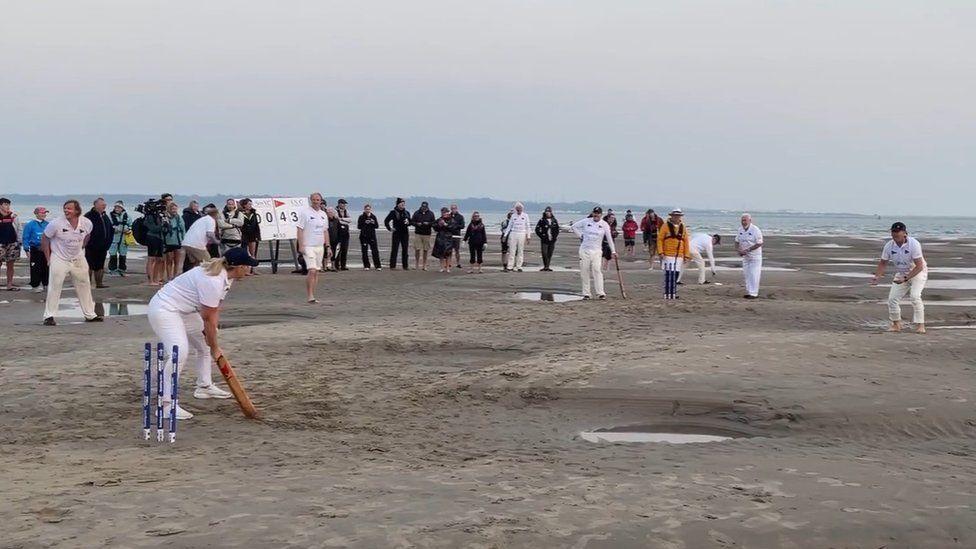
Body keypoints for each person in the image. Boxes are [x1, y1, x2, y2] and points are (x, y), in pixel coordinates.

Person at [147, 248, 254, 420]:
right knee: (179, 352)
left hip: (185, 310)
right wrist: (216, 347)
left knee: (204, 345)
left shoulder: (226, 277)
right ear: (239, 267)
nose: (249, 269)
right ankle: (166, 404)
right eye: (247, 266)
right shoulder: (213, 280)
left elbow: (214, 310)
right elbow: (207, 318)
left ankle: (204, 386)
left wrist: (213, 344)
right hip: (164, 309)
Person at [41, 200, 102, 325]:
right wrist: (48, 259)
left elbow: (88, 235)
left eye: (69, 208)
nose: (66, 211)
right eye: (65, 208)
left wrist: (82, 247)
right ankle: (49, 316)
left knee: (84, 284)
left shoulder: (86, 223)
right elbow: (45, 238)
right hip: (59, 257)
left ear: (77, 210)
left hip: (78, 257)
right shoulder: (56, 223)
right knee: (54, 286)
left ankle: (90, 315)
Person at [871, 222, 928, 334]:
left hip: (917, 272)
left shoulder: (914, 244)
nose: (895, 234)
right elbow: (883, 263)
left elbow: (919, 266)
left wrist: (906, 278)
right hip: (901, 273)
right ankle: (896, 324)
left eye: (898, 231)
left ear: (905, 233)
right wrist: (877, 276)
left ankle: (920, 325)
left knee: (915, 297)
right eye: (893, 232)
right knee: (892, 299)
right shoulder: (889, 246)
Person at [571, 207, 617, 300]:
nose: (596, 215)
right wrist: (581, 236)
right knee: (585, 271)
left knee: (597, 270)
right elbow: (574, 227)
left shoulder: (604, 224)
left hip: (596, 251)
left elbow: (609, 239)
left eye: (598, 213)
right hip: (584, 250)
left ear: (601, 214)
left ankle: (600, 293)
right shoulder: (586, 221)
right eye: (595, 213)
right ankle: (586, 293)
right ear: (592, 213)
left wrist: (613, 251)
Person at [296, 193, 330, 302]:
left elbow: (325, 231)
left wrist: (328, 246)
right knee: (312, 270)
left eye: (318, 200)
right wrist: (301, 245)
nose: (316, 201)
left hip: (319, 246)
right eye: (314, 199)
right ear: (311, 200)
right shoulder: (305, 213)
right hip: (308, 245)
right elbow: (300, 230)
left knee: (317, 271)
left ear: (321, 201)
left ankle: (313, 294)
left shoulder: (323, 214)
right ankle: (310, 295)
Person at [656, 208, 691, 297]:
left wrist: (686, 255)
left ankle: (673, 292)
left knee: (676, 274)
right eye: (675, 215)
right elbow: (660, 240)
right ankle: (667, 292)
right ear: (671, 216)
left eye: (678, 216)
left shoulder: (683, 227)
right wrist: (661, 252)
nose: (676, 217)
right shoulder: (665, 226)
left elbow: (686, 241)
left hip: (679, 254)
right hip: (667, 254)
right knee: (668, 274)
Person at [84, 197, 114, 289]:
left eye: (104, 205)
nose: (104, 206)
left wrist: (108, 243)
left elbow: (110, 230)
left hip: (103, 247)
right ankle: (87, 284)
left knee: (100, 266)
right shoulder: (88, 216)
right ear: (96, 205)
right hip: (90, 246)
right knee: (89, 265)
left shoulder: (105, 216)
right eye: (102, 205)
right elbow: (83, 231)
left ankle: (99, 283)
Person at [735, 213, 764, 299]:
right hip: (745, 256)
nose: (743, 222)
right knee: (747, 274)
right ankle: (749, 291)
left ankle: (754, 293)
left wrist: (748, 249)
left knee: (754, 274)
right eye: (742, 220)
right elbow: (736, 241)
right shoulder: (740, 230)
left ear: (750, 220)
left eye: (745, 220)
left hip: (755, 256)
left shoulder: (755, 230)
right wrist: (738, 250)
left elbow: (760, 243)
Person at [182, 204, 219, 270]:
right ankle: (207, 278)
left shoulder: (203, 219)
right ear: (216, 214)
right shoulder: (211, 220)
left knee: (197, 263)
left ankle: (193, 277)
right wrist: (217, 241)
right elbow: (210, 234)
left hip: (187, 243)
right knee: (208, 262)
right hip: (196, 244)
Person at [22, 207, 49, 293]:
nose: (43, 214)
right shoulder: (30, 224)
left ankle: (46, 284)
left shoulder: (48, 224)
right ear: (36, 214)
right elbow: (25, 237)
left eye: (45, 213)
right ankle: (35, 286)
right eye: (41, 213)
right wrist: (26, 250)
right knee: (35, 268)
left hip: (46, 249)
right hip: (35, 249)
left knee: (46, 267)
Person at [0, 197, 21, 291]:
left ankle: (9, 284)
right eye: (5, 204)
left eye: (8, 204)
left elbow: (19, 228)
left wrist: (19, 242)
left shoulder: (13, 216)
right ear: (0, 205)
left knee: (10, 265)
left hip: (12, 243)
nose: (7, 206)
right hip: (0, 243)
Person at [384, 198, 411, 269]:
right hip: (396, 233)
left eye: (404, 204)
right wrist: (390, 228)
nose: (403, 205)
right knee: (395, 249)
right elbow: (386, 221)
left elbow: (410, 222)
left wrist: (408, 223)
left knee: (405, 249)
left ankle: (405, 266)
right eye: (401, 204)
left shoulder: (407, 212)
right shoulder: (393, 212)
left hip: (405, 233)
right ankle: (392, 266)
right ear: (398, 204)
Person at [143, 203, 166, 286]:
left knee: (159, 259)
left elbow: (165, 229)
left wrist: (165, 224)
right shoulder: (149, 217)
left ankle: (156, 279)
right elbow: (153, 228)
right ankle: (151, 280)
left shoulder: (159, 217)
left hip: (159, 238)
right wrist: (162, 224)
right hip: (152, 238)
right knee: (151, 258)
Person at [503, 202, 531, 272]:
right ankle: (510, 266)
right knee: (512, 250)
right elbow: (509, 226)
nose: (519, 210)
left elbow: (528, 226)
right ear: (516, 209)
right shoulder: (513, 216)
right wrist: (505, 235)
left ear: (522, 209)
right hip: (513, 233)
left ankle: (519, 266)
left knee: (520, 251)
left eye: (520, 209)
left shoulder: (525, 215)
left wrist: (528, 236)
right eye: (517, 209)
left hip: (522, 233)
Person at [163, 201, 186, 282]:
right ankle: (169, 277)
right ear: (169, 209)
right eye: (172, 209)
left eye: (175, 209)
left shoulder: (179, 217)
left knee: (177, 260)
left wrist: (183, 239)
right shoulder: (165, 217)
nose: (174, 211)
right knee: (169, 260)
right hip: (168, 241)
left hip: (178, 240)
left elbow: (183, 229)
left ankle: (175, 277)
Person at [108, 201, 131, 276]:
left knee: (123, 254)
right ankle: (112, 270)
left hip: (124, 238)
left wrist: (128, 230)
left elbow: (131, 225)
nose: (117, 209)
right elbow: (108, 226)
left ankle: (122, 270)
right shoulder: (110, 216)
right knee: (113, 254)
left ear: (122, 208)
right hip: (113, 238)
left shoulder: (127, 216)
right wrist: (114, 229)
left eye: (119, 207)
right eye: (116, 207)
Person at [432, 207, 459, 273]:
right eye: (442, 212)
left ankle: (447, 267)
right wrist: (439, 225)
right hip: (440, 238)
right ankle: (442, 267)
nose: (444, 214)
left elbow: (453, 228)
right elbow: (434, 226)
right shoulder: (439, 219)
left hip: (448, 238)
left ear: (448, 212)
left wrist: (445, 225)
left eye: (445, 212)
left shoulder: (452, 220)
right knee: (441, 253)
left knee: (448, 253)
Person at [239, 198, 261, 275]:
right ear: (244, 205)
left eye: (251, 204)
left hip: (252, 234)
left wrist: (258, 235)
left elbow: (256, 225)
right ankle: (245, 270)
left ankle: (253, 269)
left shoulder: (253, 213)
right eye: (249, 204)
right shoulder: (240, 213)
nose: (250, 206)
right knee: (245, 253)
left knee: (253, 253)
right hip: (244, 235)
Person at [411, 201, 435, 270]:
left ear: (427, 207)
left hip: (427, 233)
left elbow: (433, 223)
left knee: (425, 249)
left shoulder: (431, 213)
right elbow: (412, 222)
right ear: (421, 206)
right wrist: (417, 224)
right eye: (423, 207)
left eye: (425, 207)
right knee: (417, 249)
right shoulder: (417, 213)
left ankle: (424, 265)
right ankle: (417, 264)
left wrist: (428, 223)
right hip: (418, 233)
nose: (424, 208)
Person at [535, 207, 560, 271]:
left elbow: (557, 229)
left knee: (550, 253)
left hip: (552, 239)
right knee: (544, 252)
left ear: (551, 212)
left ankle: (547, 266)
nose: (548, 213)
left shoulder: (554, 220)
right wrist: (541, 236)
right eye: (546, 212)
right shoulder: (542, 220)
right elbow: (537, 229)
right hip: (544, 239)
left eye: (549, 212)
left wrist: (555, 236)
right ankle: (545, 266)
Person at [358, 204, 382, 270]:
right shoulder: (361, 217)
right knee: (364, 252)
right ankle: (366, 265)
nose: (367, 210)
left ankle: (378, 266)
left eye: (369, 209)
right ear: (364, 209)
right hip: (364, 236)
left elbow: (377, 226)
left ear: (370, 209)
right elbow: (359, 226)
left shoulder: (373, 216)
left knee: (375, 251)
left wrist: (373, 222)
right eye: (366, 209)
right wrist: (365, 222)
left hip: (372, 236)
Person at [334, 199, 352, 270]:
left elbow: (350, 220)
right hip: (338, 233)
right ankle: (336, 265)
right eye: (343, 204)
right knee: (338, 250)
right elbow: (337, 220)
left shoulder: (346, 211)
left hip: (346, 233)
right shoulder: (335, 211)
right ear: (339, 204)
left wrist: (342, 219)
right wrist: (344, 220)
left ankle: (343, 265)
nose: (344, 205)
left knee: (345, 249)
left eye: (345, 204)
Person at [449, 204, 465, 269]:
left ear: (456, 209)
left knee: (457, 250)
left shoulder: (460, 217)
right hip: (449, 235)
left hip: (457, 236)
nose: (453, 210)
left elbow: (462, 226)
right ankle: (449, 263)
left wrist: (456, 226)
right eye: (452, 209)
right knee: (449, 250)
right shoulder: (448, 216)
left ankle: (458, 263)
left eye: (454, 208)